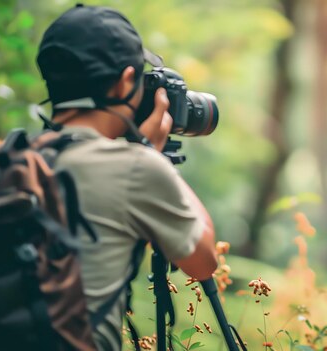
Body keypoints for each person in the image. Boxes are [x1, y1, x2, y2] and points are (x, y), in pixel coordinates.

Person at [35, 5, 218, 350]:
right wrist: (150, 155)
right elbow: (204, 261)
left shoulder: (9, 160)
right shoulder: (136, 168)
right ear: (125, 83)